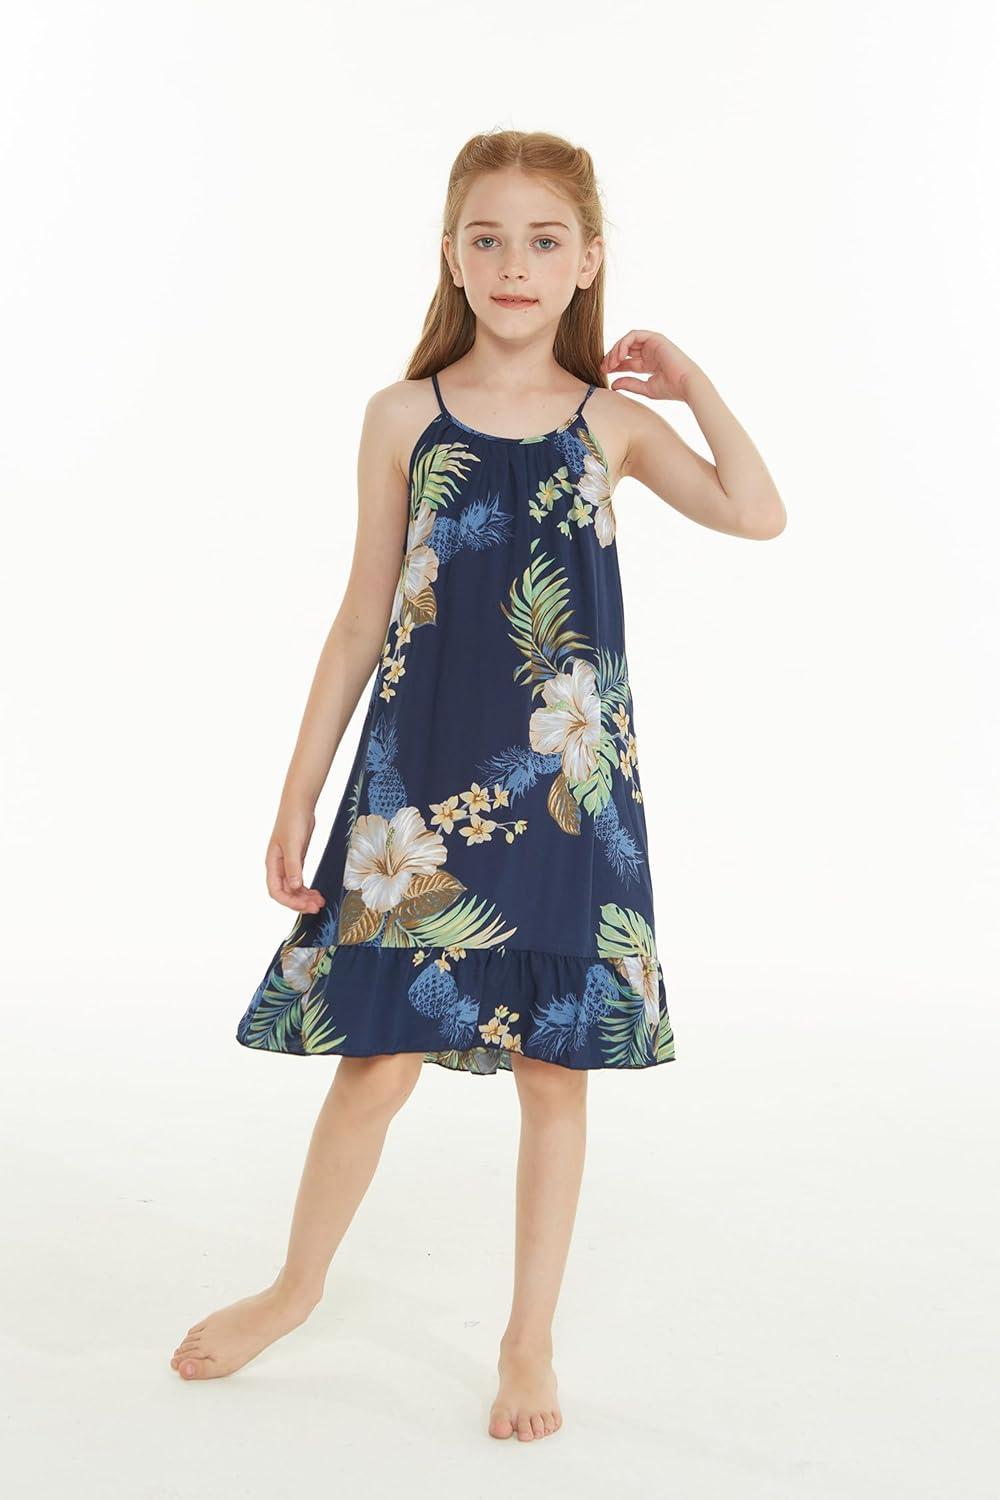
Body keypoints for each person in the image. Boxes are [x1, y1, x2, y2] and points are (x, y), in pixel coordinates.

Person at [169, 129, 785, 1439]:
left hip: (566, 798)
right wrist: (299, 792)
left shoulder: (612, 426)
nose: (515, 263)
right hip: (419, 797)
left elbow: (756, 511)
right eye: (488, 238)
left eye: (544, 240)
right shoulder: (402, 417)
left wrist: (694, 386)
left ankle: (527, 1342)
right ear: (450, 256)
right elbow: (360, 615)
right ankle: (293, 1289)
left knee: (554, 1075)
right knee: (374, 1066)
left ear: (588, 261)